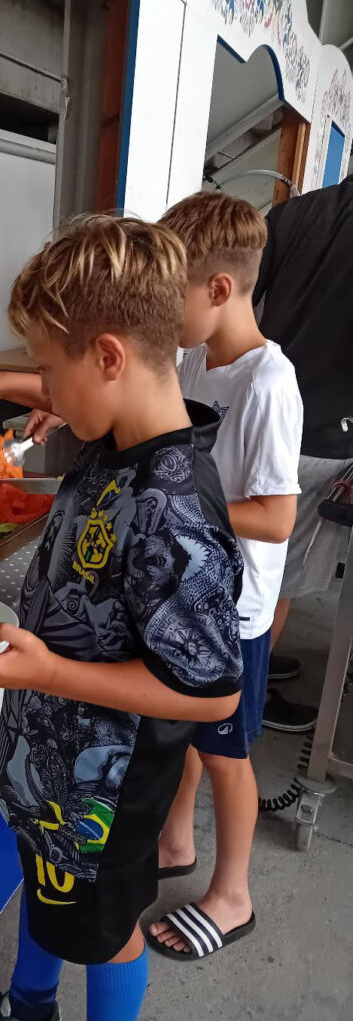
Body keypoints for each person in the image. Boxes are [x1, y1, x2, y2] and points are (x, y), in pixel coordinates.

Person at [0, 213, 244, 1021]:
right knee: (50, 899)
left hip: (103, 795)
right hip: (55, 773)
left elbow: (213, 693)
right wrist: (1, 384)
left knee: (105, 935)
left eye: (46, 365)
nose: (44, 385)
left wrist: (50, 673)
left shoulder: (175, 508)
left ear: (108, 357)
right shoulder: (117, 431)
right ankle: (28, 1009)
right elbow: (73, 390)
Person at [142, 191, 302, 961]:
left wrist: (181, 507)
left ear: (218, 288)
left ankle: (234, 896)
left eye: (172, 296)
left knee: (225, 754)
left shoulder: (268, 384)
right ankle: (176, 841)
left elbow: (275, 516)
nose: (164, 314)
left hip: (233, 612)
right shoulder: (201, 359)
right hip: (191, 591)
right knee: (182, 730)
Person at [251, 173, 353, 732]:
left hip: (262, 417)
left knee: (254, 568)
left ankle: (255, 658)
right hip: (324, 437)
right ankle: (248, 691)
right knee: (278, 581)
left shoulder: (296, 212)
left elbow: (242, 293)